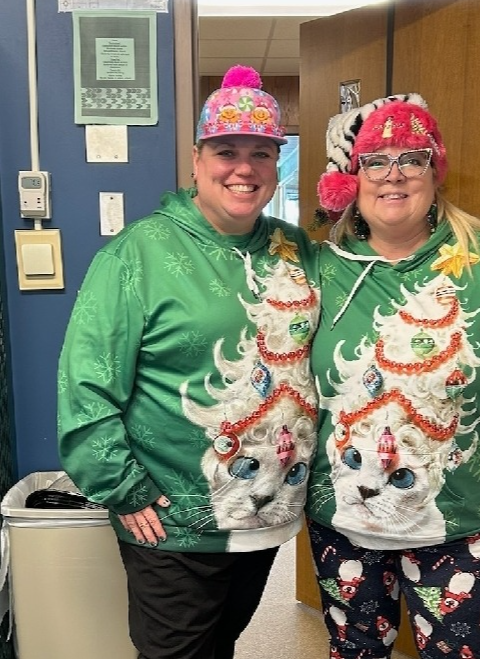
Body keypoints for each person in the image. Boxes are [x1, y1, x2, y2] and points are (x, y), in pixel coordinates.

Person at [57, 65, 319, 659]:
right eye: (227, 151)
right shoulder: (137, 254)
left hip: (268, 509)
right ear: (197, 159)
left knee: (218, 642)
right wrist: (122, 488)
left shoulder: (294, 247)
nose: (244, 168)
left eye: (261, 152)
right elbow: (85, 384)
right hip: (172, 517)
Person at [305, 93, 480, 659]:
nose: (393, 175)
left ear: (434, 171)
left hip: (458, 517)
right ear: (353, 178)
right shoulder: (321, 269)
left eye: (413, 158)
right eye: (377, 160)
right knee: (352, 652)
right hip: (343, 513)